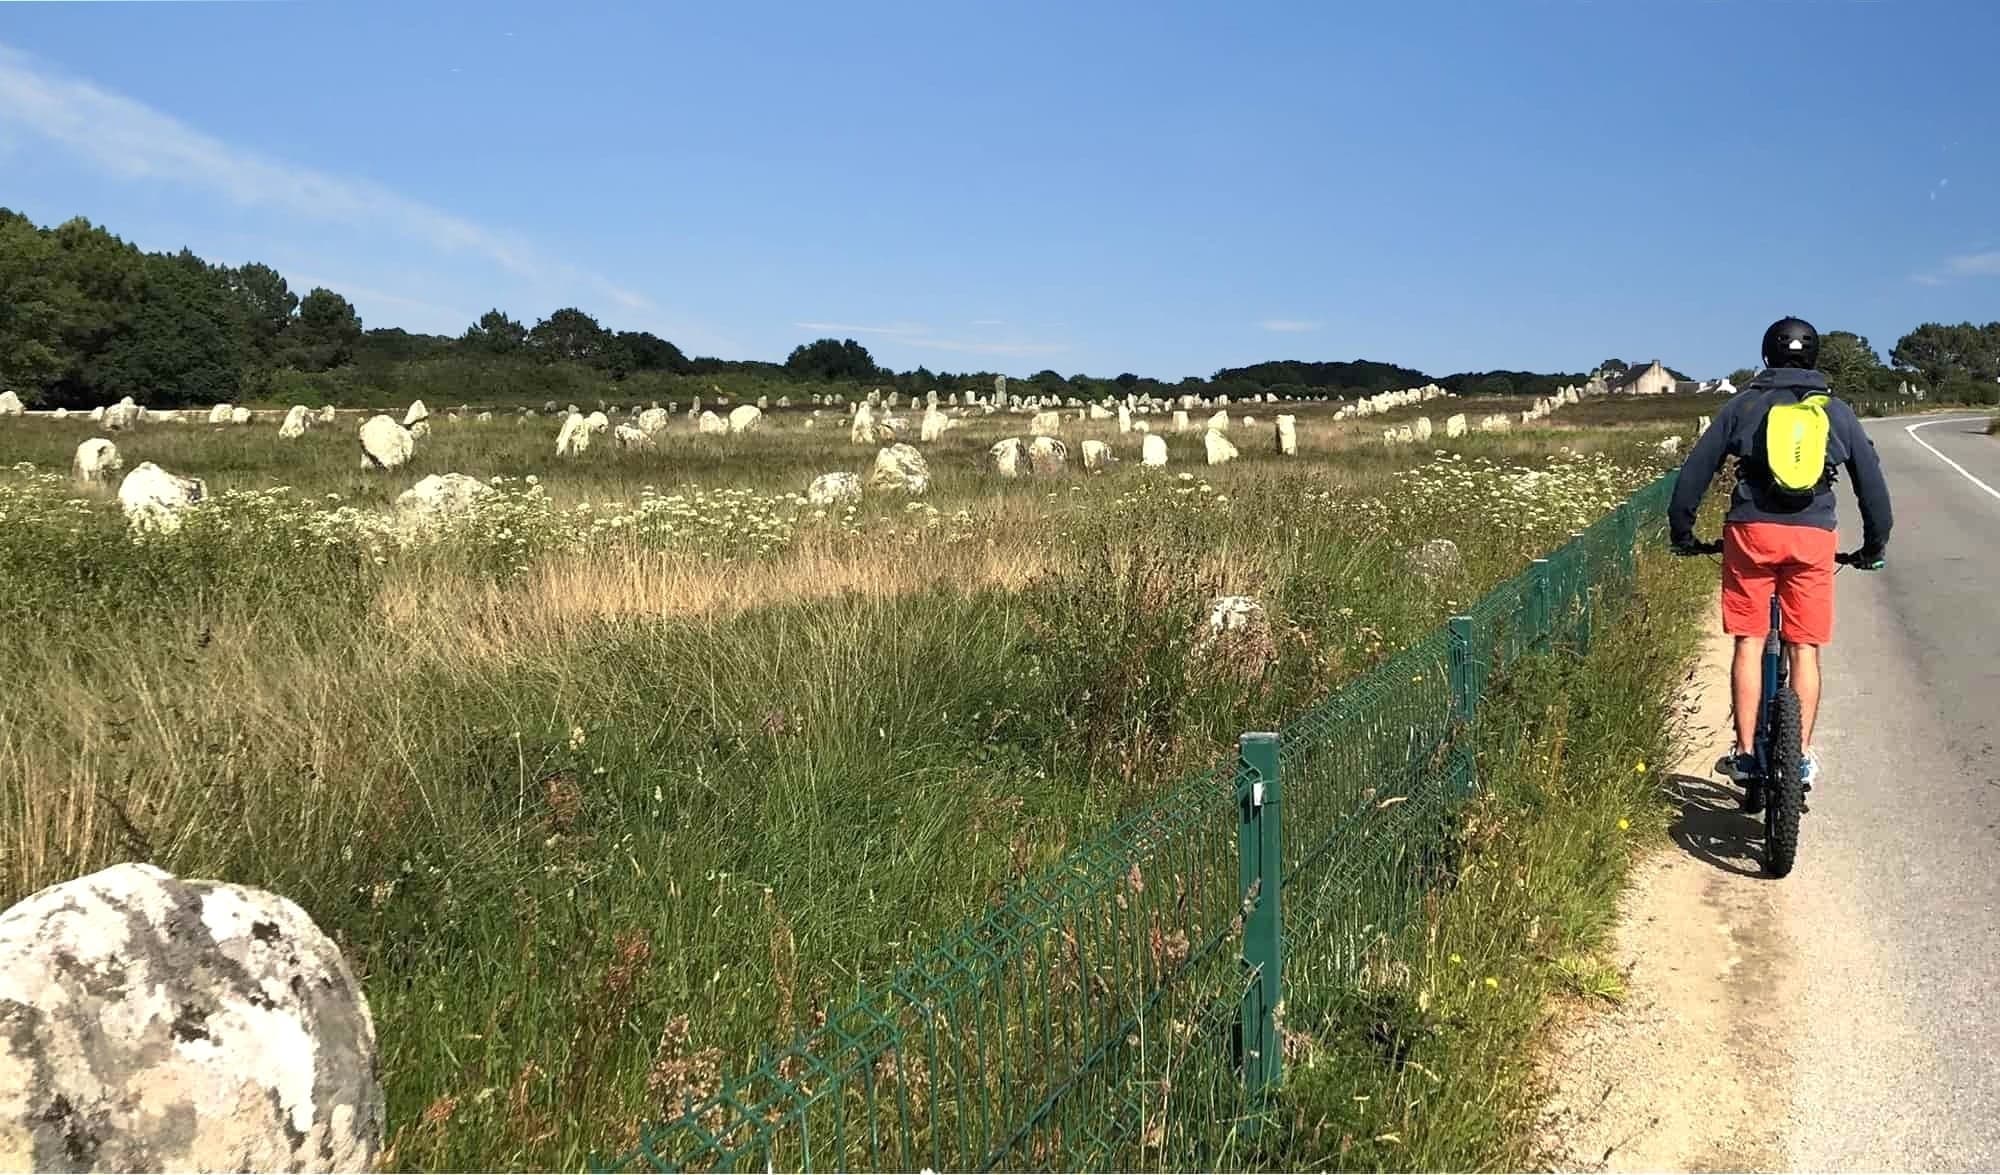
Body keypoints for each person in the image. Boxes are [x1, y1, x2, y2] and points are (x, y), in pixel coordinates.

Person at [1667, 316, 1893, 798]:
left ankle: (1746, 754)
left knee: (1750, 642)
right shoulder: (1836, 412)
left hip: (1751, 535)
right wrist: (1875, 545)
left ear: (1767, 355)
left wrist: (1683, 531)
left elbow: (1696, 472)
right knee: (1804, 647)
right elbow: (1871, 486)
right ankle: (1802, 756)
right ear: (1812, 359)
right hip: (1813, 538)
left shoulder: (1742, 406)